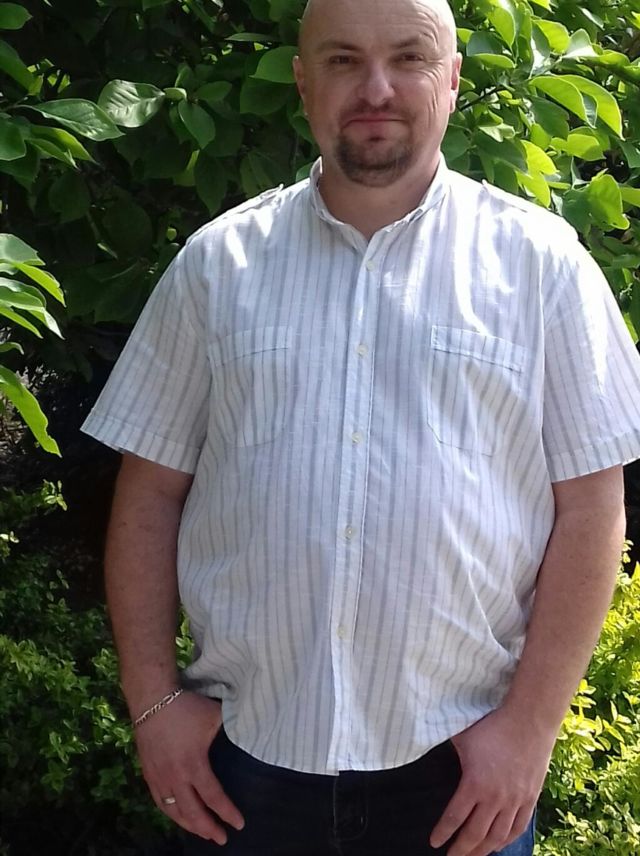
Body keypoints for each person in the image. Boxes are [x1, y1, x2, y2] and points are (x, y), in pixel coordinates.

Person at [81, 0, 640, 853]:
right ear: (303, 83)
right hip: (245, 772)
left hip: (463, 773)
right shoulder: (216, 266)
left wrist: (530, 730)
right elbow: (150, 494)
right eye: (343, 60)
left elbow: (594, 509)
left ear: (452, 79)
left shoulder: (543, 267)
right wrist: (154, 705)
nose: (376, 88)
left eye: (409, 58)